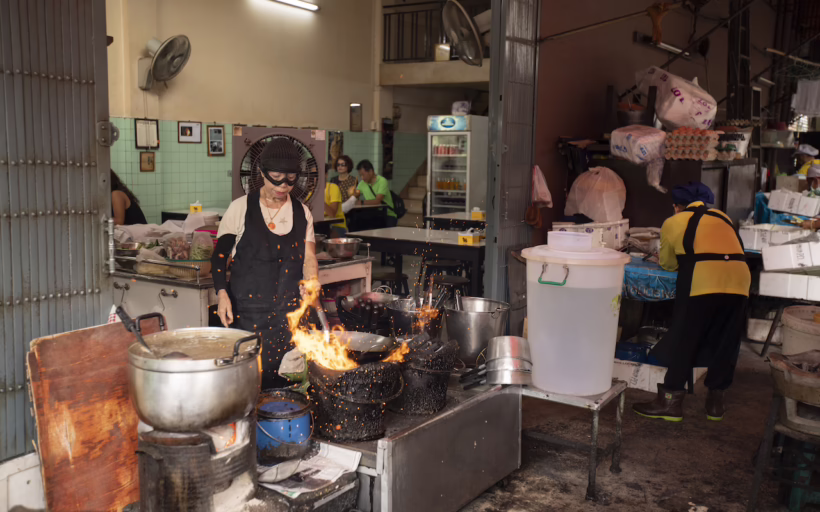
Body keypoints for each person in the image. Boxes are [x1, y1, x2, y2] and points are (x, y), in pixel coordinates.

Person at [633, 182, 751, 423]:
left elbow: (668, 264)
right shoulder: (722, 216)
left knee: (685, 338)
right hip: (740, 281)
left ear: (677, 206)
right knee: (726, 340)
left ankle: (670, 404)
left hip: (703, 280)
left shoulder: (673, 222)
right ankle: (715, 404)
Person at [211, 138, 318, 390]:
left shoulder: (303, 213)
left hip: (289, 315)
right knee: (250, 385)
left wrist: (312, 281)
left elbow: (309, 257)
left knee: (288, 386)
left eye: (291, 178)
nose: (283, 185)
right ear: (261, 173)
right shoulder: (240, 208)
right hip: (249, 315)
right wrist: (221, 293)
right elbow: (219, 256)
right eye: (277, 177)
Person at [353, 159, 397, 227]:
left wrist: (362, 202)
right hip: (372, 214)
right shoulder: (362, 183)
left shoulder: (382, 181)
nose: (362, 178)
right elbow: (355, 196)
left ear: (370, 171)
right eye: (360, 175)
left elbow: (378, 201)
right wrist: (353, 194)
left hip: (387, 214)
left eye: (363, 175)